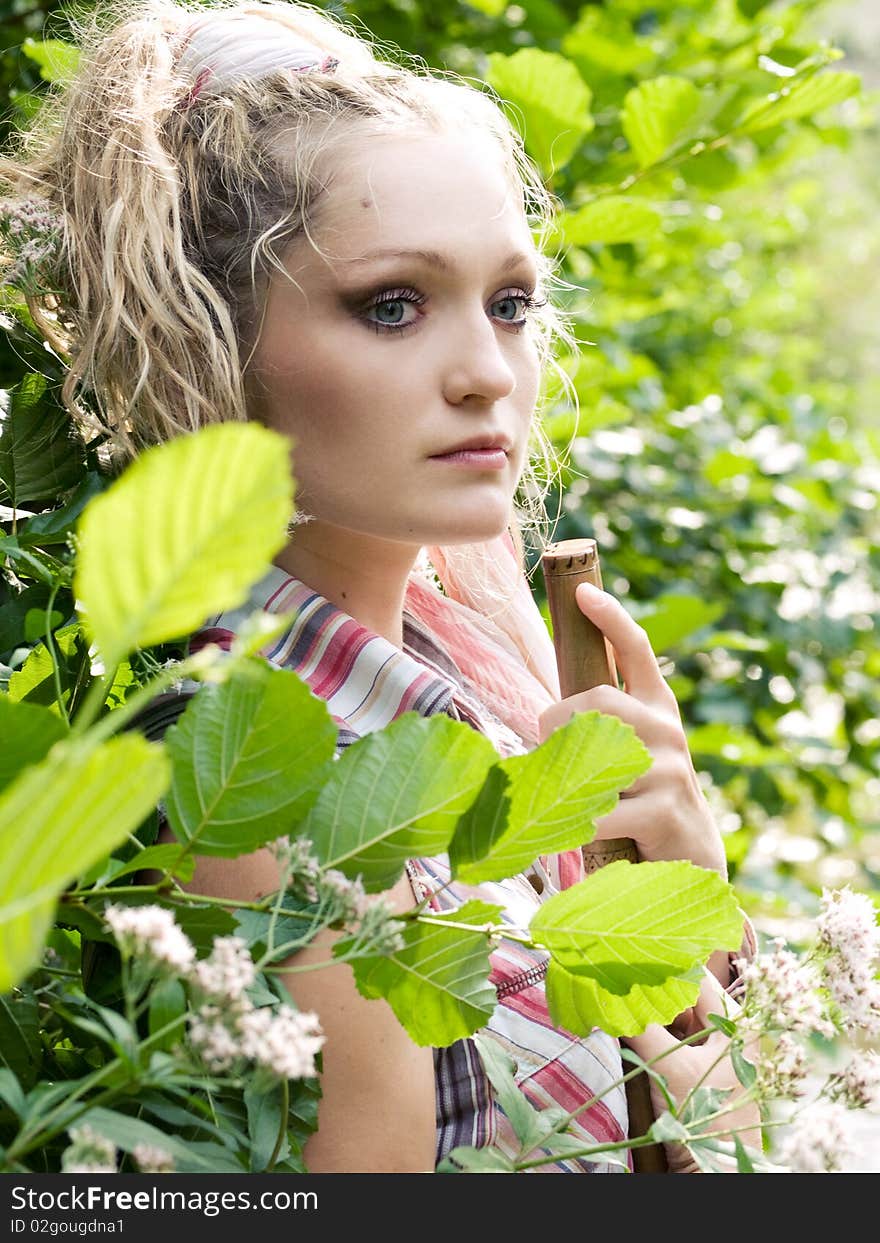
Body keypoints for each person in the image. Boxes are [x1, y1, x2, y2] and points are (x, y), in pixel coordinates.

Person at [0, 0, 760, 1173]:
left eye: (511, 304)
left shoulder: (492, 675)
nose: (486, 375)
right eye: (392, 305)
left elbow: (722, 1142)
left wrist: (687, 911)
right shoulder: (238, 752)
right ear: (210, 338)